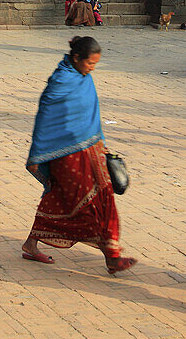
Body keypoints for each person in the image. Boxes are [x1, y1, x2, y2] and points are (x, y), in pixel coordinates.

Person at [22, 35, 136, 275]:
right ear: (76, 58)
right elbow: (46, 119)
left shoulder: (85, 78)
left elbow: (91, 113)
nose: (92, 68)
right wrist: (40, 154)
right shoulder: (60, 82)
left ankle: (111, 255)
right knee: (77, 202)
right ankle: (110, 256)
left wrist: (101, 144)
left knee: (99, 198)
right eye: (90, 63)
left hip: (92, 150)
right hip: (65, 155)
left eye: (95, 64)